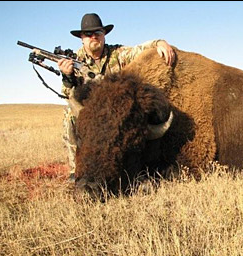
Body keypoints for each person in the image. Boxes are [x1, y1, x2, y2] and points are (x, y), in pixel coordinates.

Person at [57, 13, 176, 181]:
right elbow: (68, 96)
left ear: (104, 35)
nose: (94, 37)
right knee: (70, 114)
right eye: (88, 34)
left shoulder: (117, 53)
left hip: (116, 111)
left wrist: (159, 42)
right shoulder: (74, 61)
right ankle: (75, 168)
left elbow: (139, 50)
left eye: (97, 32)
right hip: (92, 112)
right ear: (82, 38)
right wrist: (67, 77)